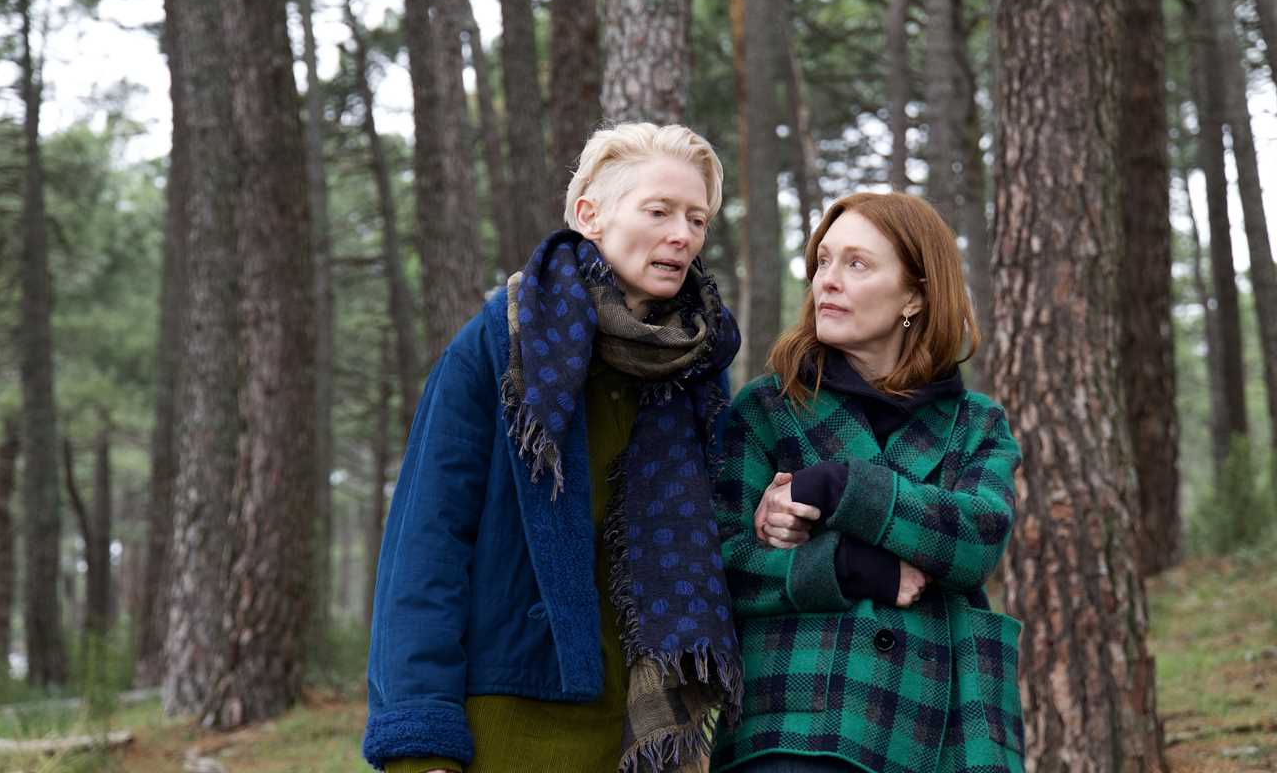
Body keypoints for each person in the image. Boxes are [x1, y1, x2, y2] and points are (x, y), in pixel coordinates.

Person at [362, 123, 743, 773]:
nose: (682, 235)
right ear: (590, 215)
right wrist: (420, 742)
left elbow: (724, 533)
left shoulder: (698, 369)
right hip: (513, 717)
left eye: (697, 218)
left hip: (654, 732)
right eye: (659, 211)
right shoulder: (499, 345)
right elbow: (426, 549)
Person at [710, 191, 1024, 773]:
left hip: (945, 731)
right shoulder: (766, 410)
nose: (827, 281)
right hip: (797, 727)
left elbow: (977, 541)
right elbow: (725, 568)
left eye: (856, 264)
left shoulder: (976, 425)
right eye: (823, 261)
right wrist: (850, 568)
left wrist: (839, 485)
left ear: (914, 294)